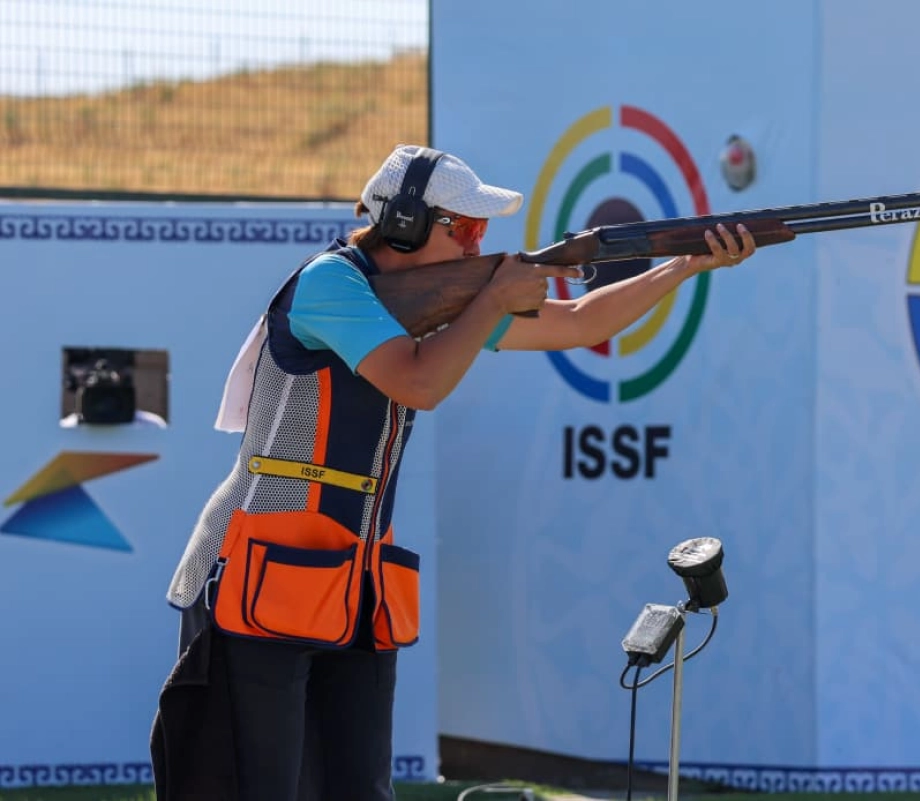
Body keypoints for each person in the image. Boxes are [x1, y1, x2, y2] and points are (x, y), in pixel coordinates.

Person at [152, 144, 757, 801]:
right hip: (257, 571)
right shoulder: (330, 281)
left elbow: (584, 324)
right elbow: (418, 382)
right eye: (463, 228)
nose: (477, 245)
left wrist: (686, 265)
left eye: (480, 231)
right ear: (407, 223)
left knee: (358, 789)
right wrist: (492, 300)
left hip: (350, 583)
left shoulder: (443, 304)